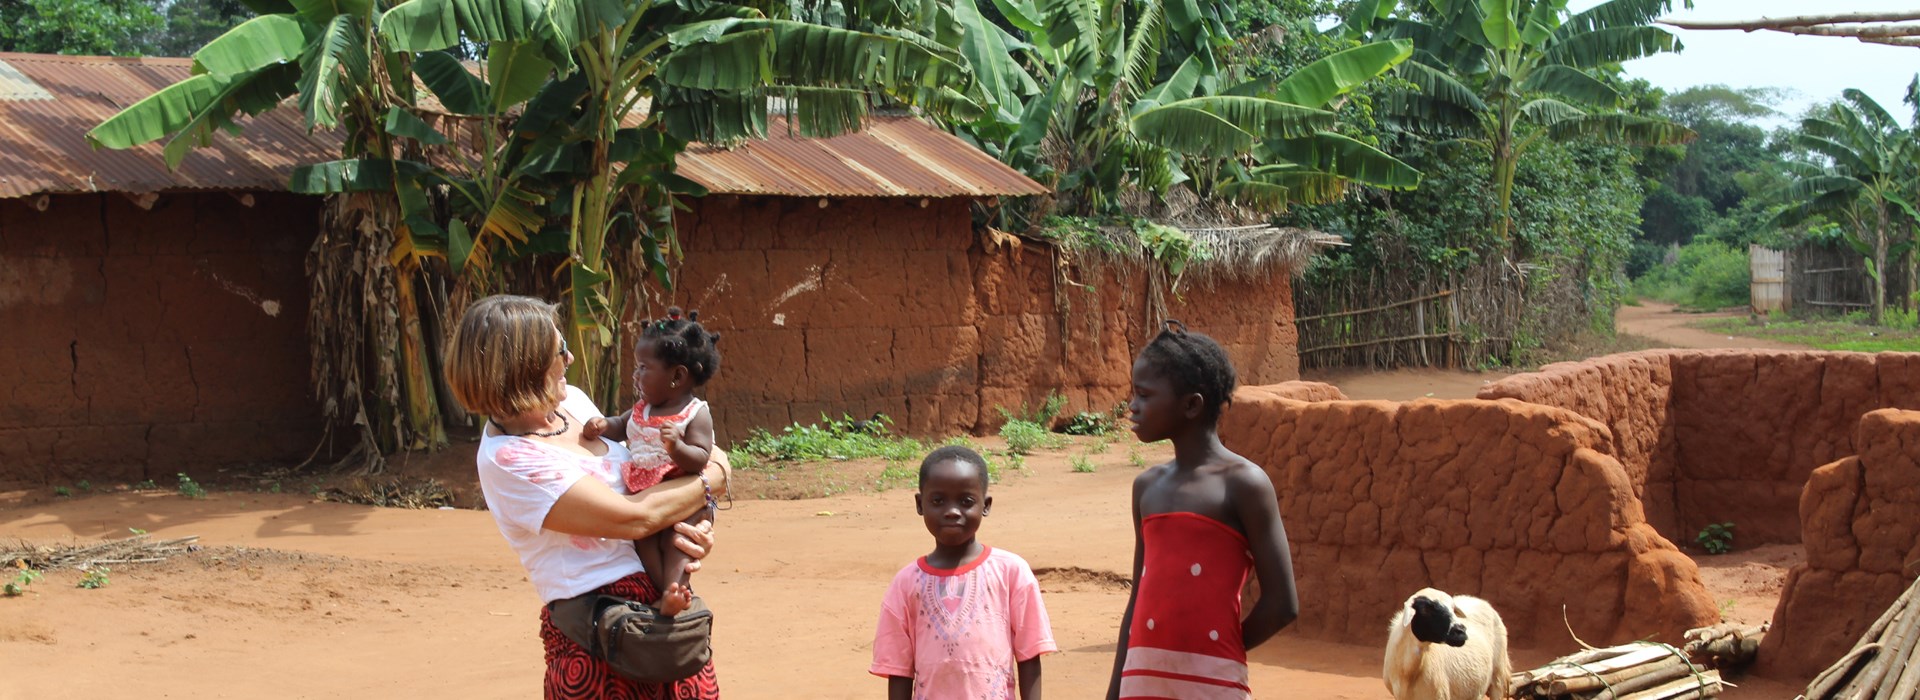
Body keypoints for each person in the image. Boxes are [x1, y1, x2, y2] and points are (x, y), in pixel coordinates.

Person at [445, 295, 726, 699]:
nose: (571, 357)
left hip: (668, 627)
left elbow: (662, 467)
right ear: (525, 364)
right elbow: (636, 518)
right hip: (602, 641)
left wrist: (693, 527)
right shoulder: (508, 459)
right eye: (559, 349)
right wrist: (713, 480)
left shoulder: (573, 403)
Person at [1106, 320, 1299, 700]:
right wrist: (1115, 690)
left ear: (1192, 405)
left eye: (1144, 395)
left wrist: (1220, 651)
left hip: (1213, 682)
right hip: (1142, 678)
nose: (1132, 406)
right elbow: (1138, 599)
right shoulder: (1146, 487)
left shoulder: (1244, 483)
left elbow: (1282, 603)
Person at [871, 445, 1056, 700]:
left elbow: (1029, 656)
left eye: (966, 501)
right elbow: (899, 670)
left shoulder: (1011, 572)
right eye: (938, 501)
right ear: (919, 504)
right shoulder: (905, 583)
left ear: (986, 505)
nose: (952, 511)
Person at [586, 306, 721, 618]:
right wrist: (603, 425)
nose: (636, 375)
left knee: (678, 543)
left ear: (676, 376)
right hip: (644, 497)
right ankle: (668, 592)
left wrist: (676, 446)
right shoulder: (642, 409)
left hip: (682, 502)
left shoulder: (694, 413)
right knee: (644, 543)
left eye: (644, 368)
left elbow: (700, 458)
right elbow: (622, 426)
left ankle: (677, 586)